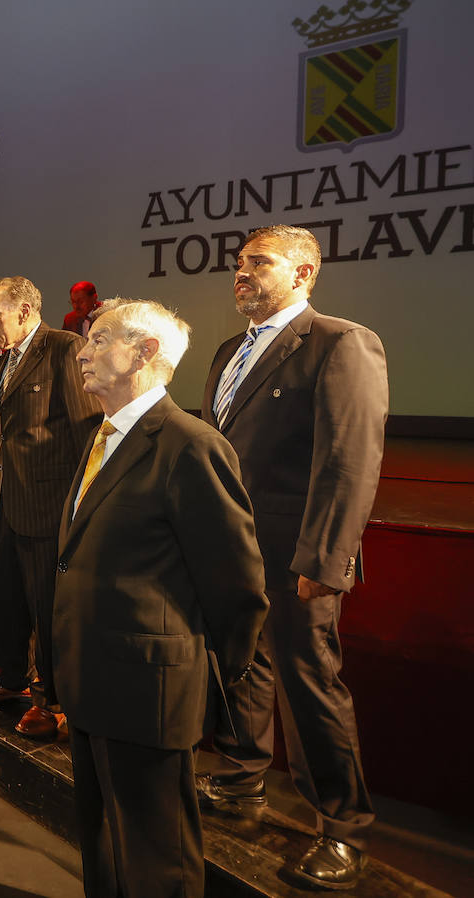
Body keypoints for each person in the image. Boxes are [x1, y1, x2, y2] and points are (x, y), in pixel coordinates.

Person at [54, 299, 269, 898]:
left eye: (98, 341)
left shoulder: (188, 444)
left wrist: (192, 679)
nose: (84, 352)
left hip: (149, 694)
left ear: (145, 352)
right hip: (93, 682)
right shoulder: (103, 437)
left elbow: (237, 588)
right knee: (102, 850)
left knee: (157, 865)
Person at [198, 224, 388, 891]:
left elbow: (349, 462)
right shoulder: (228, 351)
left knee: (310, 683)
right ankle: (243, 780)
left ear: (305, 273)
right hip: (232, 550)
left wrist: (325, 562)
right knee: (242, 668)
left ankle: (341, 827)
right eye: (240, 262)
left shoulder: (340, 344)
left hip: (297, 556)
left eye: (260, 262)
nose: (241, 272)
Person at [0, 277, 101, 744]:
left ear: (25, 311)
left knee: (48, 607)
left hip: (48, 504)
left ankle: (55, 701)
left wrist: (77, 505)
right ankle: (12, 680)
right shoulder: (3, 356)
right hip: (4, 499)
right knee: (6, 597)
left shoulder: (66, 348)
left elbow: (89, 430)